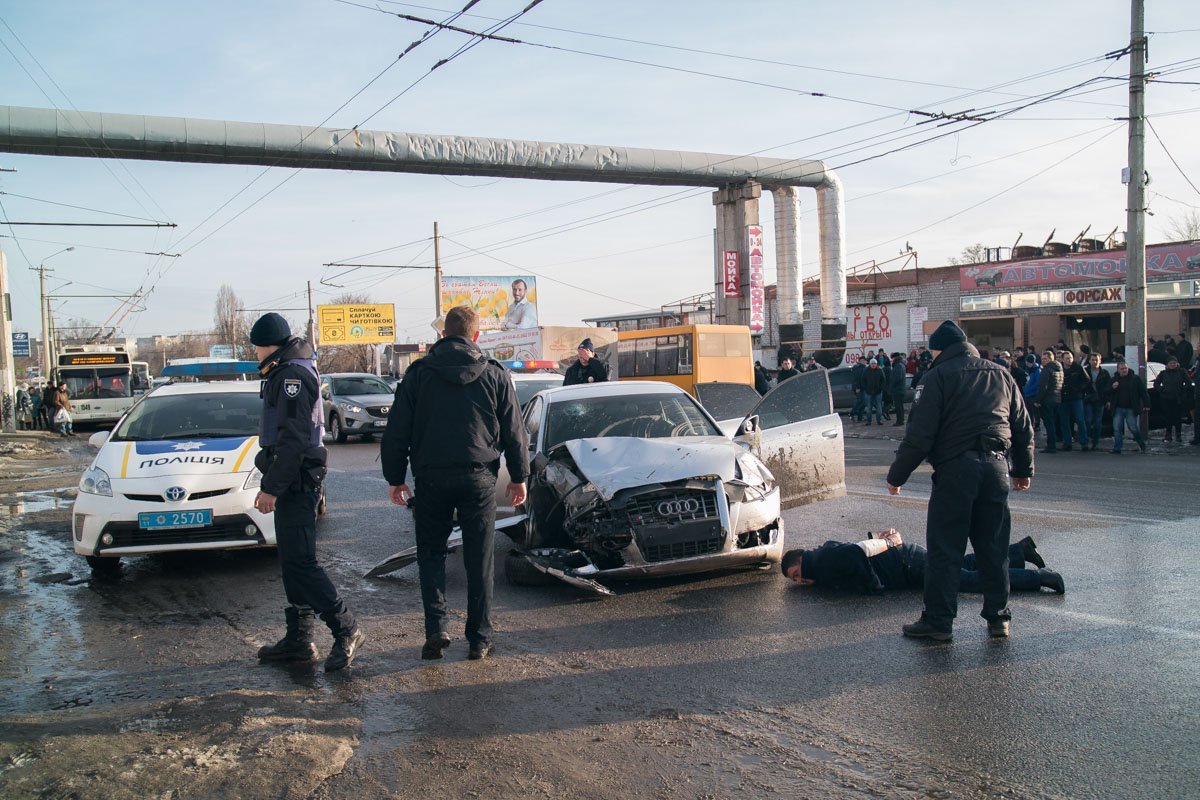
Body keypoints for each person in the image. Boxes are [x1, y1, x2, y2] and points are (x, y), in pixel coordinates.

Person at [382, 306, 529, 661]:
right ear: (475, 335)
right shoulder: (495, 374)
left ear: (443, 334)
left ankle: (436, 629)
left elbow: (396, 431)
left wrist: (395, 478)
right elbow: (515, 431)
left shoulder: (418, 374)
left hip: (431, 477)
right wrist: (519, 476)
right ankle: (479, 639)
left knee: (431, 553)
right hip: (479, 477)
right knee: (479, 559)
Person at [886, 320, 1034, 641]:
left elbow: (920, 435)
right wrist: (1023, 470)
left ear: (939, 349)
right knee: (994, 549)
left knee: (945, 550)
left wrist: (897, 476)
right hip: (997, 470)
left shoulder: (937, 377)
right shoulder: (1001, 374)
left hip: (956, 471)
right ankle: (998, 618)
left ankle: (939, 622)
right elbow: (1022, 427)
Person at [250, 312, 364, 672]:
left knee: (301, 561)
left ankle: (346, 628)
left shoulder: (291, 376)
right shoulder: (285, 370)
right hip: (294, 478)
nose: (255, 353)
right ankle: (299, 639)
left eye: (256, 347)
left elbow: (294, 438)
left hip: (298, 479)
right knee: (292, 561)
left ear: (269, 345)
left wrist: (272, 488)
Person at [781, 529, 1064, 595]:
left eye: (795, 574)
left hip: (906, 564)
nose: (799, 579)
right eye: (795, 580)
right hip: (905, 559)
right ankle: (1019, 552)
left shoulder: (822, 562)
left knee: (965, 580)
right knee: (962, 564)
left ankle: (1041, 578)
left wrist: (873, 585)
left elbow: (856, 553)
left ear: (801, 559)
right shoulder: (822, 557)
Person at [1107, 360, 1149, 454]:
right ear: (1118, 370)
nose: (1124, 370)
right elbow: (1106, 391)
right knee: (1117, 428)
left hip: (1131, 408)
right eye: (1122, 369)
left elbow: (1143, 392)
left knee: (1133, 428)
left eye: (1125, 368)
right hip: (1118, 408)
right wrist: (1112, 387)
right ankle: (1117, 448)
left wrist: (1146, 404)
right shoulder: (1114, 379)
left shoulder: (1135, 379)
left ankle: (1142, 444)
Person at [1058, 350, 1092, 451]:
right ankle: (1067, 443)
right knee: (1064, 421)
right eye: (1067, 358)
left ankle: (1084, 442)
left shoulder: (1078, 368)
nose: (1069, 360)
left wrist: (1079, 389)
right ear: (1062, 359)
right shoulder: (1059, 369)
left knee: (1080, 420)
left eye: (1071, 358)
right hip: (1063, 398)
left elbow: (1087, 380)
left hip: (1076, 398)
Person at [1153, 357, 1187, 444]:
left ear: (1177, 364)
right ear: (1167, 364)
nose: (1172, 365)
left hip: (1178, 399)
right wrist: (1161, 390)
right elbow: (1156, 383)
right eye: (1171, 363)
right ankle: (1168, 435)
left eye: (1174, 363)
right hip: (1166, 398)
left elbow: (1188, 382)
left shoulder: (1182, 372)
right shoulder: (1163, 373)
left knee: (1177, 417)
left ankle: (1178, 435)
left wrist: (1183, 391)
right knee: (1168, 417)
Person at [1035, 350, 1063, 453]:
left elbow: (1043, 387)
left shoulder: (1046, 370)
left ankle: (1051, 446)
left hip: (1048, 400)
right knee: (1053, 423)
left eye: (1045, 359)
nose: (1043, 361)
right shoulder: (1059, 369)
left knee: (1049, 424)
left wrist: (1038, 400)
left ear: (1051, 359)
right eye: (1042, 359)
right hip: (1057, 399)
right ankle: (1053, 444)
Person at [1083, 353, 1111, 450]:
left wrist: (1108, 400)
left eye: (1096, 360)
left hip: (1100, 400)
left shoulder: (1104, 373)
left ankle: (1095, 443)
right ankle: (1086, 442)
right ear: (1089, 361)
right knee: (1087, 420)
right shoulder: (1085, 371)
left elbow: (1108, 388)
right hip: (1088, 399)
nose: (1094, 362)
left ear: (1100, 361)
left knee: (1098, 422)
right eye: (1092, 360)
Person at [861, 357, 885, 425]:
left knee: (879, 407)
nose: (873, 365)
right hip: (868, 392)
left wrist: (880, 389)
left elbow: (883, 380)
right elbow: (863, 380)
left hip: (878, 392)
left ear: (876, 364)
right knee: (869, 407)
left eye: (874, 363)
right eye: (872, 363)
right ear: (870, 364)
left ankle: (879, 420)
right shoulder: (866, 370)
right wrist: (866, 389)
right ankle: (869, 421)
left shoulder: (880, 370)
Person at [888, 352, 908, 426]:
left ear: (895, 358)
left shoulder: (898, 365)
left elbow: (897, 378)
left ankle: (899, 421)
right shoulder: (901, 364)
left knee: (898, 406)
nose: (892, 360)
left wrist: (892, 385)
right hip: (900, 388)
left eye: (892, 358)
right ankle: (901, 420)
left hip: (898, 389)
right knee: (900, 406)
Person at [849, 354, 867, 422]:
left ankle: (860, 417)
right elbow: (857, 378)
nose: (864, 361)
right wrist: (857, 387)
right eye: (862, 360)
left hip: (863, 387)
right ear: (859, 361)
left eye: (864, 360)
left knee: (863, 403)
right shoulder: (857, 368)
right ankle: (852, 413)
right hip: (859, 388)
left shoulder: (864, 367)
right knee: (860, 401)